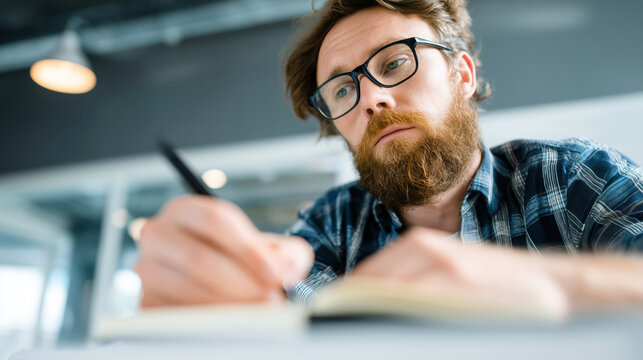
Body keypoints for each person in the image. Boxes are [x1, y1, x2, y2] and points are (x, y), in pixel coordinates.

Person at [135, 0, 643, 314]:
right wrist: (230, 303)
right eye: (341, 91)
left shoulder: (571, 176)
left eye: (395, 62)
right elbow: (289, 315)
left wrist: (546, 285)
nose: (372, 98)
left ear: (461, 75)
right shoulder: (333, 223)